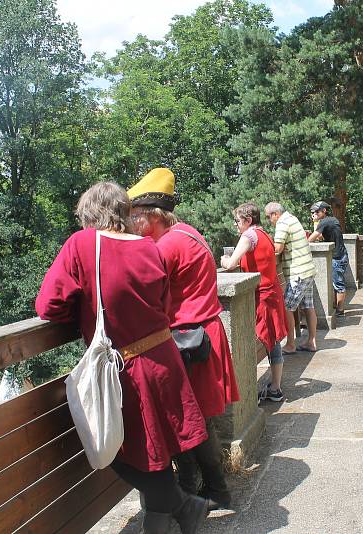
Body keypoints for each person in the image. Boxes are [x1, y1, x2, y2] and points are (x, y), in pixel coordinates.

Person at [35, 182, 209, 534]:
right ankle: (184, 510)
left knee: (109, 450)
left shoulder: (82, 244)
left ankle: (186, 507)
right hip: (164, 360)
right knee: (154, 455)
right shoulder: (149, 247)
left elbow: (48, 305)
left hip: (127, 370)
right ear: (125, 213)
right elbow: (163, 305)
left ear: (89, 215)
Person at [128, 168, 239, 512]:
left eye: (134, 216)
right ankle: (201, 487)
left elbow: (142, 292)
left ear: (150, 217)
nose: (130, 222)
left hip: (189, 341)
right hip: (201, 336)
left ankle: (212, 490)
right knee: (195, 417)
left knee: (194, 420)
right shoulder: (186, 232)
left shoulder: (166, 247)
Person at [221, 202, 288, 402]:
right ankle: (275, 388)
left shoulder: (249, 236)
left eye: (237, 221)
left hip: (262, 298)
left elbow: (232, 264)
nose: (235, 225)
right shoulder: (264, 234)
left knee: (253, 342)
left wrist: (225, 260)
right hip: (272, 293)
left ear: (248, 220)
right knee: (273, 342)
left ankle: (250, 395)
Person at [264, 202, 318, 353]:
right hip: (308, 270)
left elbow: (278, 248)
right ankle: (311, 342)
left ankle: (290, 344)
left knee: (286, 307)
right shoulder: (292, 218)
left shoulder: (282, 223)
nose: (269, 221)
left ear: (275, 214)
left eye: (269, 217)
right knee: (308, 306)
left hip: (298, 274)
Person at [308, 201, 348, 316]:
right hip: (341, 255)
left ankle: (340, 311)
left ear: (324, 211)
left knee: (338, 284)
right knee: (336, 283)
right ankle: (337, 307)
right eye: (313, 212)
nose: (314, 214)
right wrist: (316, 222)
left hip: (337, 257)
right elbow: (320, 237)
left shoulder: (325, 221)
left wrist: (316, 223)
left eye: (316, 211)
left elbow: (312, 238)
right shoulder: (331, 220)